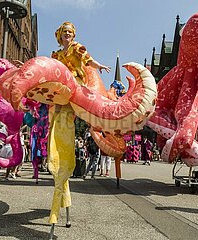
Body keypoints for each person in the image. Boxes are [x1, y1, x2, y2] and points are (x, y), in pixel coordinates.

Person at [48, 21, 110, 234]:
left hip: (74, 90)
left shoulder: (76, 48)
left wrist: (98, 66)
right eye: (64, 32)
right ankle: (60, 172)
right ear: (59, 35)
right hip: (59, 96)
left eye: (70, 32)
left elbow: (87, 58)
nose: (67, 35)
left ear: (73, 35)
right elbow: (46, 71)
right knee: (57, 133)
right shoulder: (56, 55)